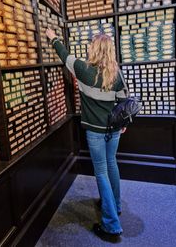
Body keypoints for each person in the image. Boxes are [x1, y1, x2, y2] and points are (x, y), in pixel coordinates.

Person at [46, 28, 127, 243]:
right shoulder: (117, 74)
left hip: (96, 132)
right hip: (114, 130)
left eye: (91, 45)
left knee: (101, 172)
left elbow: (64, 55)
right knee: (112, 165)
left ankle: (111, 225)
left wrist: (52, 37)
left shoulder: (83, 69)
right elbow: (123, 101)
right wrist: (122, 124)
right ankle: (116, 206)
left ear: (95, 50)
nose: (89, 47)